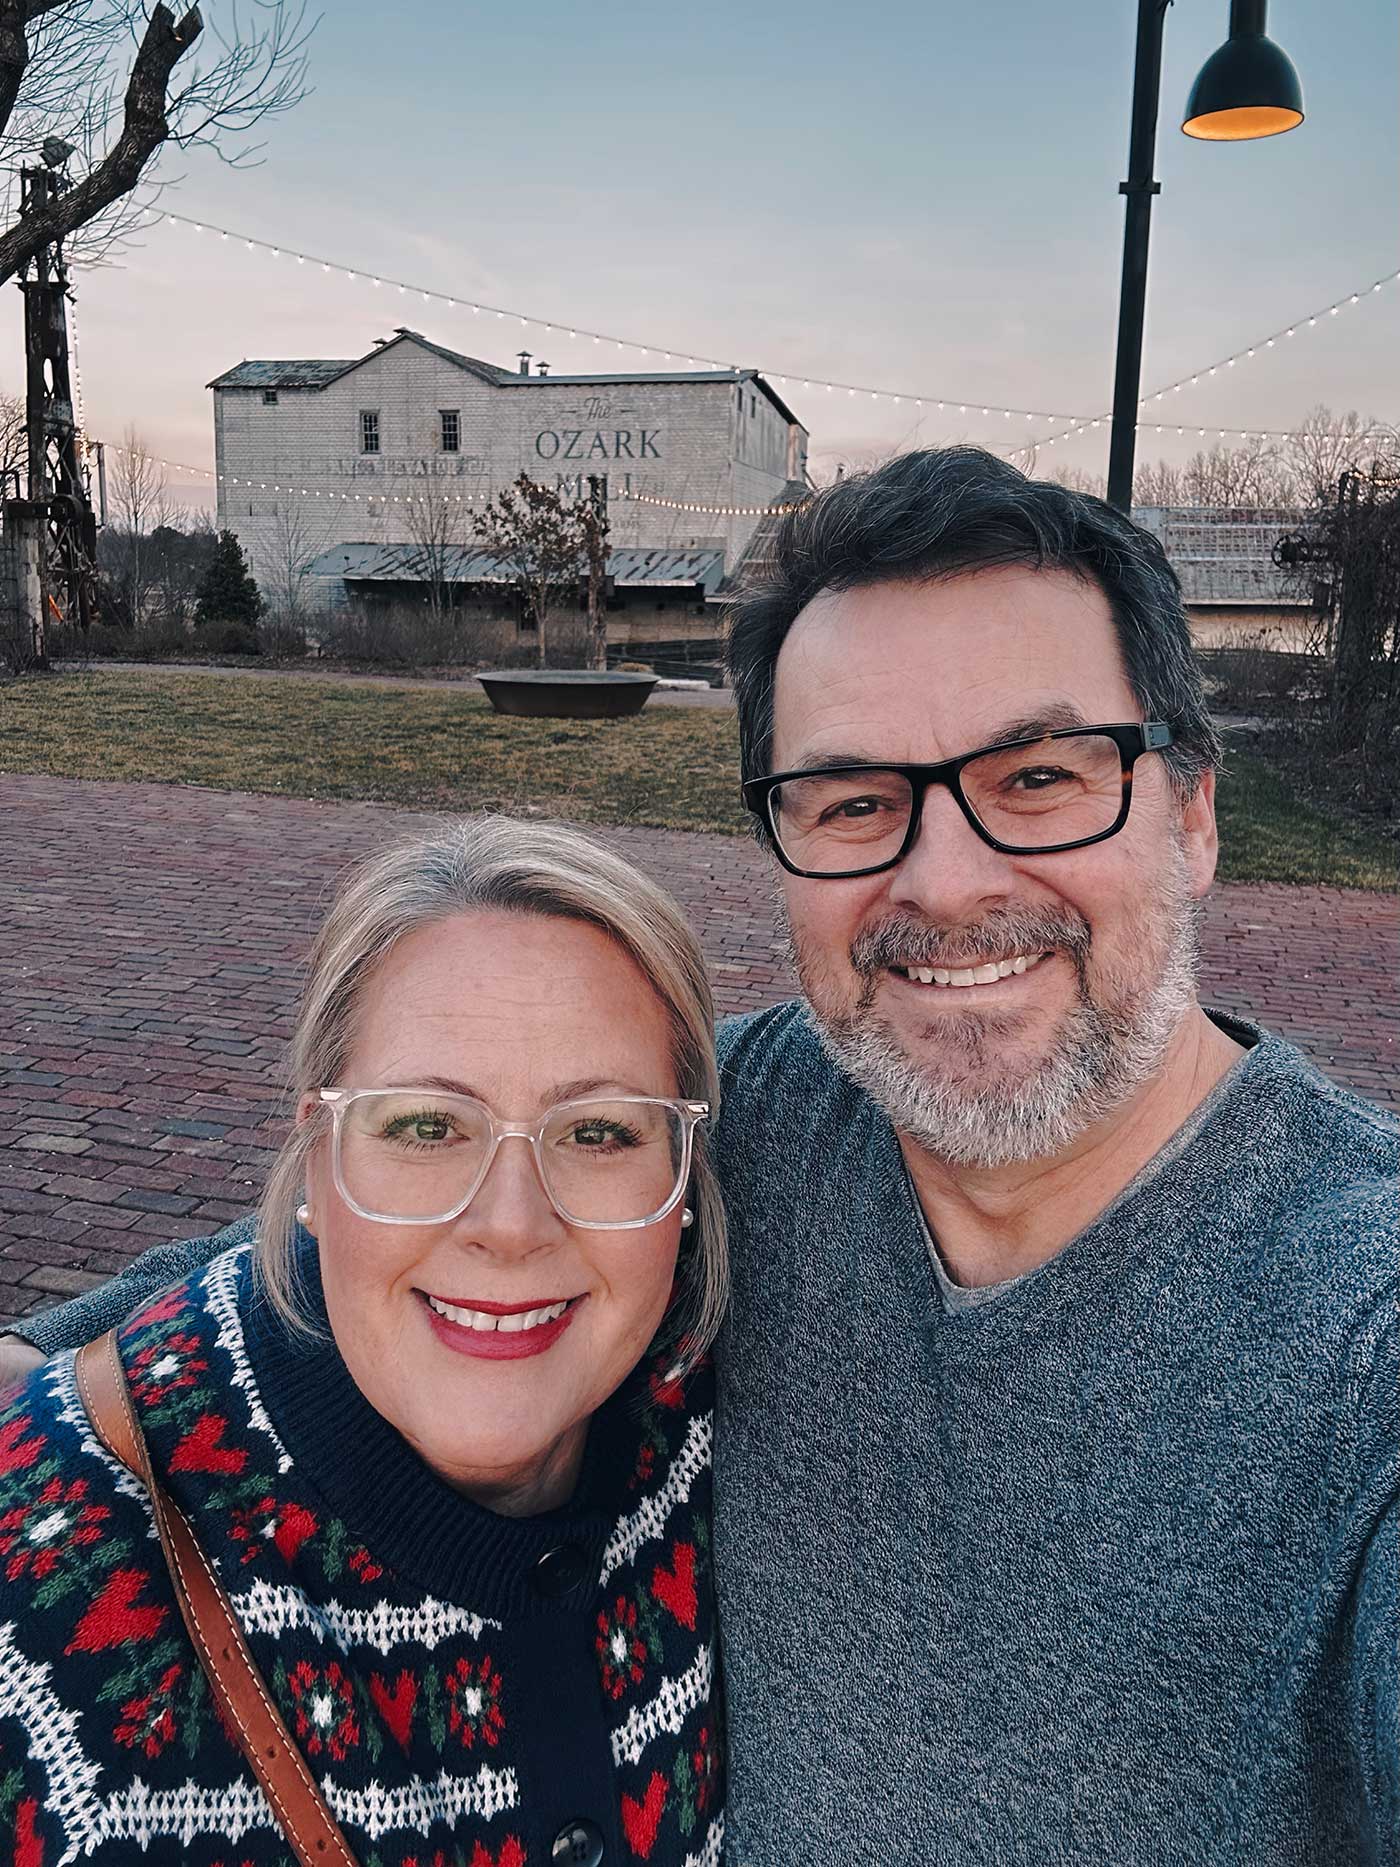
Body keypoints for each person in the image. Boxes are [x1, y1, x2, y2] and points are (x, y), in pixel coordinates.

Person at [7, 448, 1397, 1864]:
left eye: (1039, 776)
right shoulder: (754, 1118)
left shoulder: (1364, 1323)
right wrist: (42, 1370)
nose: (947, 879)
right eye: (853, 800)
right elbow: (347, 1234)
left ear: (1195, 811)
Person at [0, 816, 726, 1866]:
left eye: (599, 1131)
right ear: (316, 1164)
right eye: (427, 1127)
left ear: (684, 1180)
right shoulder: (46, 1580)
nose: (512, 1225)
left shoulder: (730, 1420)